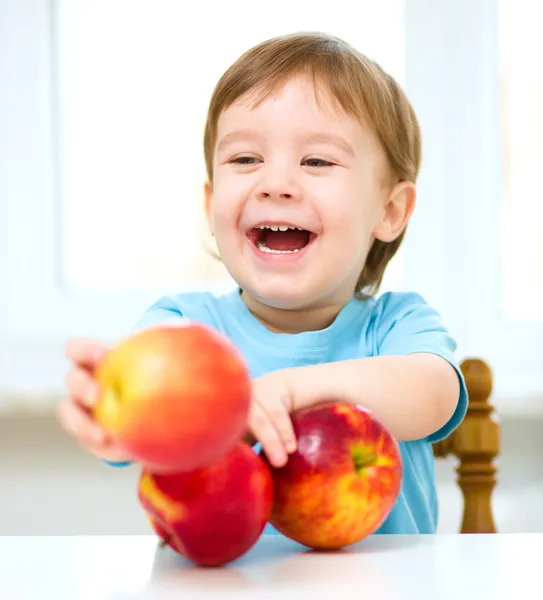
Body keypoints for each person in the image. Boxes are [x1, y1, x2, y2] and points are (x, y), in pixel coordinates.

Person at [58, 31, 467, 534]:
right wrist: (118, 424)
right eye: (245, 159)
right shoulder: (184, 329)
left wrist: (292, 390)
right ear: (210, 205)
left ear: (389, 211)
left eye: (317, 160)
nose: (275, 182)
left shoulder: (397, 325)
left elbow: (433, 396)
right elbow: (138, 419)